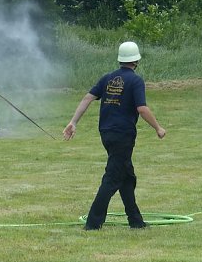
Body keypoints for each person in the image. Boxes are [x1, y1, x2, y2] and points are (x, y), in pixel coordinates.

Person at [63, 41, 166, 229]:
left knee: (126, 176)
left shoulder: (107, 78)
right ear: (136, 60)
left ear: (120, 59)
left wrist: (73, 122)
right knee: (112, 177)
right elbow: (142, 109)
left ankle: (135, 221)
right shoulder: (136, 81)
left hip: (106, 133)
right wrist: (158, 128)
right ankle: (93, 223)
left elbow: (87, 98)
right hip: (123, 135)